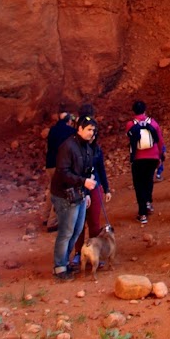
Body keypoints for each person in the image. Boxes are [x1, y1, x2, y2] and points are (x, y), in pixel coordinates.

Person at [50, 116, 97, 281]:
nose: (92, 133)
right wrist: (83, 181)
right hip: (65, 194)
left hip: (80, 193)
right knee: (66, 231)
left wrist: (87, 192)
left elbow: (86, 170)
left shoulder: (87, 147)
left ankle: (65, 263)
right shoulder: (68, 146)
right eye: (89, 129)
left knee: (76, 231)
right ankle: (60, 267)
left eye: (93, 130)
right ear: (80, 128)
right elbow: (63, 172)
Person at [72, 120, 112, 266]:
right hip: (81, 187)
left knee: (94, 222)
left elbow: (101, 170)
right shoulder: (76, 150)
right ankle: (78, 252)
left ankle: (96, 253)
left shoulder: (96, 150)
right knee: (80, 223)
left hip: (95, 187)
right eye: (90, 132)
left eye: (94, 133)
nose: (92, 136)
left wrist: (106, 189)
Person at [126, 101, 164, 224]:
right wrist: (160, 155)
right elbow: (160, 140)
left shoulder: (130, 124)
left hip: (138, 158)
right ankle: (148, 202)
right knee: (148, 181)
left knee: (139, 185)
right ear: (145, 109)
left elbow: (130, 139)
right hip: (152, 157)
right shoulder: (153, 123)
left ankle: (142, 214)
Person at [43, 105, 76, 232]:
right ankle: (53, 221)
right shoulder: (70, 132)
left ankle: (45, 216)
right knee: (60, 192)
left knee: (52, 189)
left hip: (50, 164)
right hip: (60, 165)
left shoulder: (52, 130)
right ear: (69, 120)